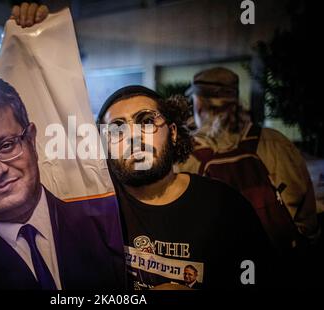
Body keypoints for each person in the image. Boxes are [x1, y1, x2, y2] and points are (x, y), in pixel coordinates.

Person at [97, 85, 276, 289]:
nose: (133, 137)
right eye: (116, 129)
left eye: (146, 122)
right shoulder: (98, 211)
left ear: (172, 133)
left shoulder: (226, 207)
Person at [180, 67, 320, 252]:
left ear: (198, 106)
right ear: (236, 101)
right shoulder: (276, 142)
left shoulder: (184, 154)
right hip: (275, 262)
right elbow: (306, 215)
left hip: (217, 268)